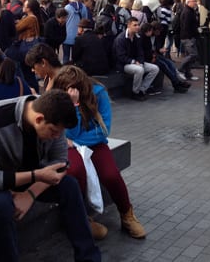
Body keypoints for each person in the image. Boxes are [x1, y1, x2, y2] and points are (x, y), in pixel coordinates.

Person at [0, 90, 101, 262]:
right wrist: (37, 175)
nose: (57, 137)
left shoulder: (53, 115)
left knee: (69, 186)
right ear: (39, 119)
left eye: (60, 133)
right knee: (1, 204)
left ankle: (89, 257)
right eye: (54, 131)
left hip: (25, 175)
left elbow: (61, 164)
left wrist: (30, 194)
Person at [51, 66, 146, 239]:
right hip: (67, 144)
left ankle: (127, 214)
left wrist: (77, 140)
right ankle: (80, 219)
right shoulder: (57, 96)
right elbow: (65, 132)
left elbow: (103, 130)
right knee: (75, 170)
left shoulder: (98, 93)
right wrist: (72, 106)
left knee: (110, 174)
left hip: (90, 142)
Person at [114, 17, 160, 100]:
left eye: (138, 25)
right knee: (139, 70)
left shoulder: (137, 37)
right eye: (135, 25)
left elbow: (140, 52)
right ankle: (135, 92)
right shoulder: (121, 39)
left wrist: (141, 62)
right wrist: (134, 62)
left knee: (155, 68)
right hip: (124, 64)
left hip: (136, 62)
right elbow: (121, 56)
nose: (137, 27)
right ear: (128, 25)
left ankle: (142, 89)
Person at [141, 23, 190, 93]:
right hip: (149, 58)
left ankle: (177, 82)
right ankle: (176, 84)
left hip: (153, 55)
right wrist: (154, 55)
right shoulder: (144, 38)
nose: (159, 33)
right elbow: (145, 51)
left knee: (169, 63)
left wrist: (156, 53)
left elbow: (152, 49)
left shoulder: (151, 37)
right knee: (164, 65)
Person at [177, 0, 200, 81]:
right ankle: (180, 69)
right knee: (193, 54)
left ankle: (188, 73)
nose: (195, 3)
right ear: (188, 2)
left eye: (195, 1)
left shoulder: (190, 11)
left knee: (189, 55)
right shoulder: (187, 12)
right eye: (194, 1)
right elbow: (186, 26)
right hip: (187, 37)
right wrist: (190, 36)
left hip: (189, 36)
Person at [63, 0, 89, 64]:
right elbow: (85, 21)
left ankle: (65, 72)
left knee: (66, 57)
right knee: (77, 57)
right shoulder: (83, 7)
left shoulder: (67, 8)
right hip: (79, 35)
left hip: (67, 36)